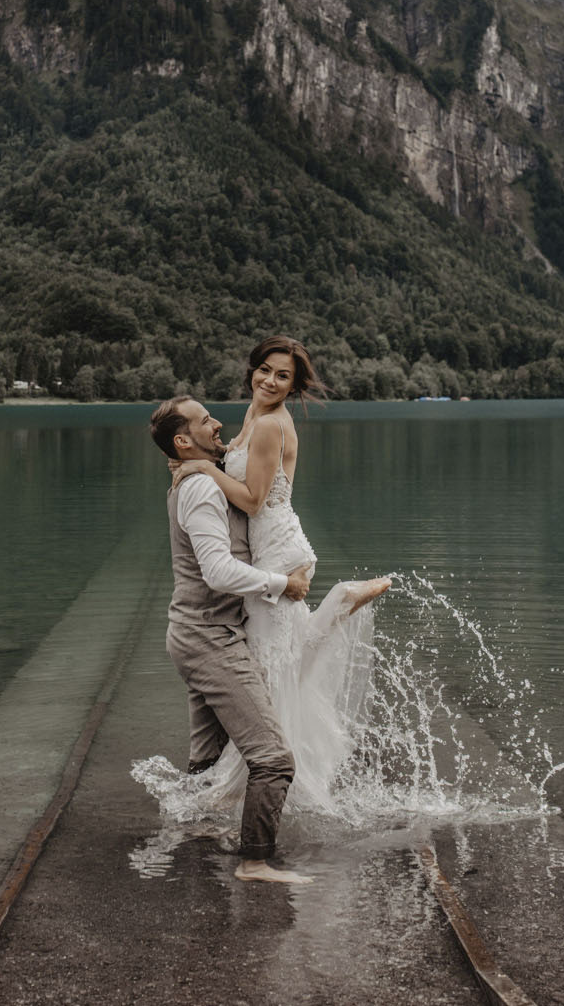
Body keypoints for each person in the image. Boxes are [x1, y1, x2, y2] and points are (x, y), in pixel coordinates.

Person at [135, 338, 390, 830]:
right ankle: (340, 603)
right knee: (280, 658)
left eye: (283, 377)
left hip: (274, 547)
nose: (270, 382)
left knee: (275, 669)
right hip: (270, 548)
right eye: (265, 371)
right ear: (252, 370)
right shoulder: (253, 417)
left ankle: (254, 778)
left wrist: (202, 466)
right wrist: (202, 461)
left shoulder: (271, 423)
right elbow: (239, 473)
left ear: (294, 386)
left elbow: (252, 500)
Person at [147, 393, 314, 883]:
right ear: (183, 440)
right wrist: (286, 585)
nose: (215, 424)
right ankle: (256, 862)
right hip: (209, 637)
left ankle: (191, 829)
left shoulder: (202, 477)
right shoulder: (200, 490)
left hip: (197, 632)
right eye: (204, 421)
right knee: (273, 761)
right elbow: (218, 572)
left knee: (209, 757)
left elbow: (248, 446)